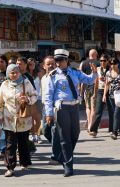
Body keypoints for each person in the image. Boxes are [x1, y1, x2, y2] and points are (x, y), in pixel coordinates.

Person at [45, 49, 97, 177]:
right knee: (65, 138)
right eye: (56, 60)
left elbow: (89, 80)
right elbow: (48, 96)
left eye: (61, 60)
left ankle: (62, 156)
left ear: (66, 60)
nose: (58, 63)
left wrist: (94, 74)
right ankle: (68, 166)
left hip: (74, 107)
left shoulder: (75, 72)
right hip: (61, 107)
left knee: (75, 135)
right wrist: (49, 113)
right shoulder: (52, 76)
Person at [0, 64, 37, 177]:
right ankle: (10, 167)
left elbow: (35, 95)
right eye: (11, 72)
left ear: (19, 72)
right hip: (9, 119)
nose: (14, 75)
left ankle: (25, 163)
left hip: (23, 119)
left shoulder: (26, 82)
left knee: (23, 142)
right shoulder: (5, 84)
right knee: (10, 144)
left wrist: (27, 99)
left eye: (16, 72)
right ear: (8, 73)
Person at [41, 56, 61, 165]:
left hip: (55, 108)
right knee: (45, 131)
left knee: (54, 131)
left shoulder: (58, 77)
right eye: (48, 64)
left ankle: (55, 156)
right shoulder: (44, 78)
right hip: (45, 107)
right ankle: (60, 147)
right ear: (44, 66)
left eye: (52, 63)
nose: (50, 66)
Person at [103, 58, 120, 140]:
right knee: (116, 113)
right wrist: (104, 95)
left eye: (114, 63)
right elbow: (106, 85)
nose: (112, 65)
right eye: (110, 63)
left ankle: (114, 132)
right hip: (111, 95)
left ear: (117, 64)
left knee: (116, 113)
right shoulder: (108, 73)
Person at [89, 54, 113, 137]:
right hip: (100, 91)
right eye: (101, 61)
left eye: (104, 61)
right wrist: (95, 93)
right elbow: (96, 81)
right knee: (98, 111)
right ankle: (94, 130)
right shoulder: (98, 69)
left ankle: (112, 129)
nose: (102, 62)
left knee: (111, 111)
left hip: (110, 91)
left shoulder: (111, 69)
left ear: (107, 61)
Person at [80, 49, 98, 132]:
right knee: (93, 108)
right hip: (95, 88)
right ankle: (91, 126)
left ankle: (89, 124)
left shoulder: (83, 63)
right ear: (95, 55)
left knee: (88, 107)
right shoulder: (98, 63)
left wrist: (81, 91)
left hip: (86, 88)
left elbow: (80, 78)